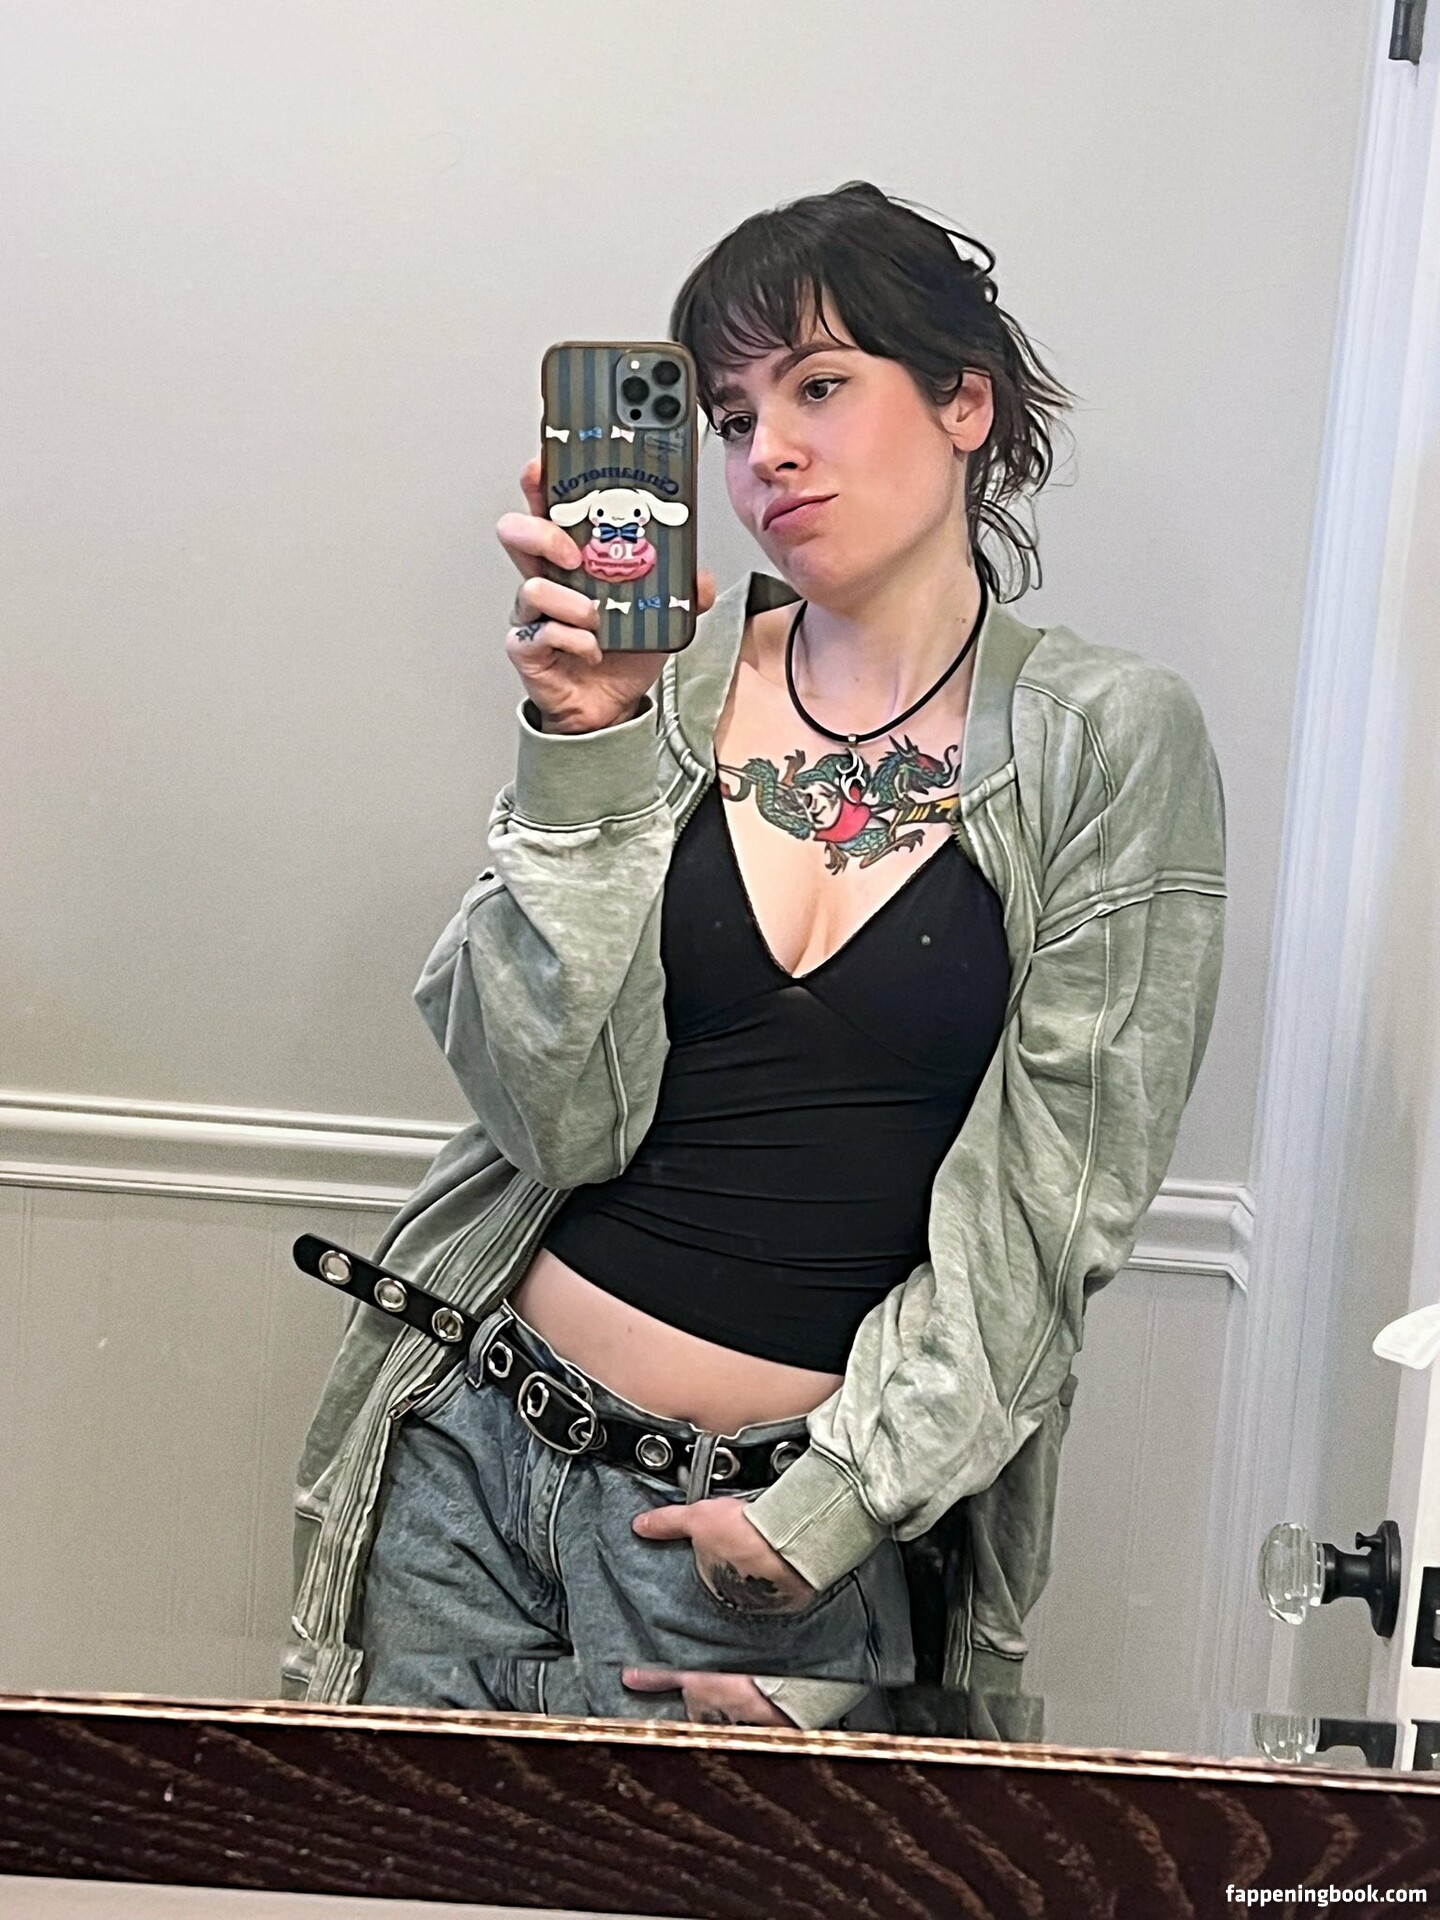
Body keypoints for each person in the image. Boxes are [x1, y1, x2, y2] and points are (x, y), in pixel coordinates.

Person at [286, 181, 1227, 1735]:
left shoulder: (1108, 739)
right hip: (471, 1458)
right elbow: (550, 1117)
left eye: (819, 386)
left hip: (761, 1535)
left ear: (966, 402)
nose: (763, 451)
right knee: (421, 1865)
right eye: (729, 417)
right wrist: (583, 743)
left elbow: (1055, 1203)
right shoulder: (663, 680)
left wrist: (824, 1513)